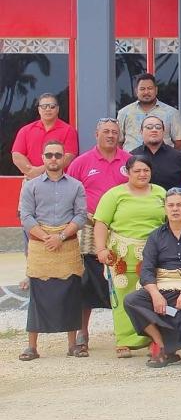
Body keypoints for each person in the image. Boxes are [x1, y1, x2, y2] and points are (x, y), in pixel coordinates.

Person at [123, 188, 181, 368]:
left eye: (179, 205)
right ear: (165, 208)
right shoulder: (156, 235)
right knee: (132, 300)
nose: (175, 209)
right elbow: (147, 271)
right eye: (170, 205)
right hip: (163, 284)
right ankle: (164, 347)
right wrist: (155, 293)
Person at [66, 118, 131, 354]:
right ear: (96, 134)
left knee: (123, 278)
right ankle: (83, 333)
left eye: (115, 132)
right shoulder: (81, 162)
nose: (111, 135)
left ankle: (125, 334)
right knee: (86, 280)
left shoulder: (129, 161)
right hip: (89, 227)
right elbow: (70, 193)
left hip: (122, 229)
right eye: (106, 131)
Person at [17, 139, 87, 361]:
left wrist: (62, 236)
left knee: (70, 294)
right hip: (40, 245)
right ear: (42, 158)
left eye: (58, 155)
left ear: (65, 158)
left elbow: (81, 215)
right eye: (49, 155)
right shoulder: (31, 185)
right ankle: (32, 347)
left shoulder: (76, 185)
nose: (54, 159)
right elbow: (26, 216)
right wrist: (46, 236)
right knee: (38, 296)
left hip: (67, 245)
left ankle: (72, 344)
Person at [92, 155, 166, 357]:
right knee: (123, 296)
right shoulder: (114, 195)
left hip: (153, 253)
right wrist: (100, 249)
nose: (142, 174)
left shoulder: (161, 193)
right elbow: (101, 223)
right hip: (122, 254)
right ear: (128, 172)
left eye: (146, 171)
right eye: (137, 171)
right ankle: (124, 340)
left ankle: (153, 338)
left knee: (152, 295)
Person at [11, 93, 78, 178]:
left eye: (52, 106)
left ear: (58, 109)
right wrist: (31, 172)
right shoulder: (25, 130)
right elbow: (17, 155)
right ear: (39, 109)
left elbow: (68, 157)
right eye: (44, 106)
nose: (48, 109)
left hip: (58, 180)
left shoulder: (68, 130)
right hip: (31, 180)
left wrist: (40, 171)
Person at [117, 74, 181, 152]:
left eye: (150, 88)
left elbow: (180, 142)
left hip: (162, 162)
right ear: (136, 91)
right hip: (132, 161)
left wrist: (167, 157)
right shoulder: (124, 113)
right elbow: (118, 142)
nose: (146, 92)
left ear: (156, 90)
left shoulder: (171, 113)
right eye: (142, 89)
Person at [130, 115, 181, 190]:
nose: (154, 130)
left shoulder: (180, 158)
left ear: (163, 131)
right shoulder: (131, 156)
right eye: (149, 127)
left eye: (158, 127)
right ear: (141, 131)